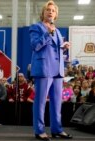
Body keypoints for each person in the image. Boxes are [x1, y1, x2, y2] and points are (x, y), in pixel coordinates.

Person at [29, 1, 72, 140]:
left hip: (58, 71)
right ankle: (39, 130)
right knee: (40, 102)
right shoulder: (36, 27)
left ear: (56, 14)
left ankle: (57, 129)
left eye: (53, 10)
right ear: (43, 12)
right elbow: (35, 46)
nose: (50, 12)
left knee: (56, 102)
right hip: (43, 68)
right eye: (48, 9)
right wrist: (48, 33)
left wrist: (63, 47)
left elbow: (54, 49)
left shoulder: (57, 30)